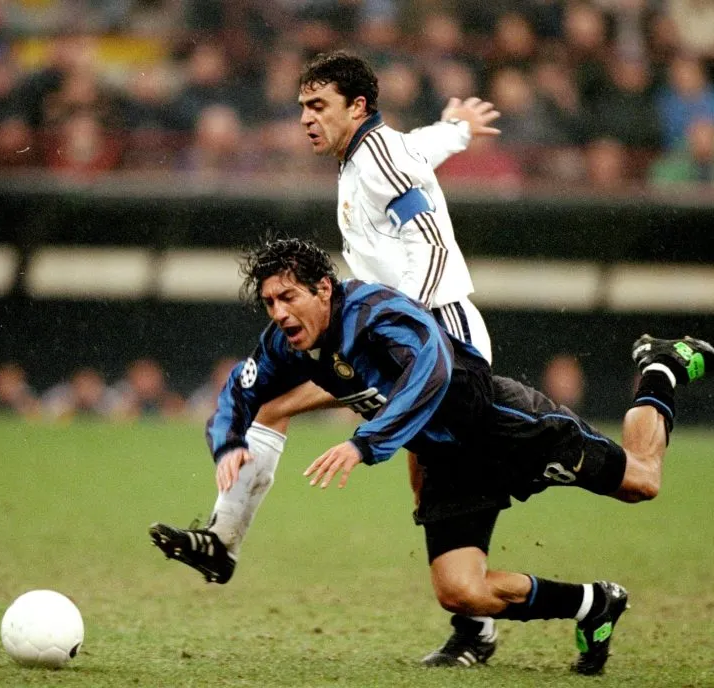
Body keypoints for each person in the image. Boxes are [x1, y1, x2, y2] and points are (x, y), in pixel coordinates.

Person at [151, 238, 714, 674]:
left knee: (641, 480)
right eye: (270, 302)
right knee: (460, 591)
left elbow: (433, 371)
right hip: (451, 462)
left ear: (323, 289)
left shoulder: (375, 311)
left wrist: (364, 443)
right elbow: (240, 391)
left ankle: (660, 368)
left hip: (508, 430)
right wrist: (228, 443)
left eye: (289, 297)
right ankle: (594, 604)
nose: (278, 312)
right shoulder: (287, 343)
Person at [149, 50, 504, 667]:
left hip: (435, 340)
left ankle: (478, 624)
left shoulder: (376, 163)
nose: (306, 119)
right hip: (389, 339)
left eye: (318, 106)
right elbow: (421, 150)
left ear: (357, 107)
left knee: (432, 478)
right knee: (273, 407)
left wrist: (413, 330)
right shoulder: (371, 152)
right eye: (302, 108)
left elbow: (425, 239)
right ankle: (222, 544)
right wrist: (458, 128)